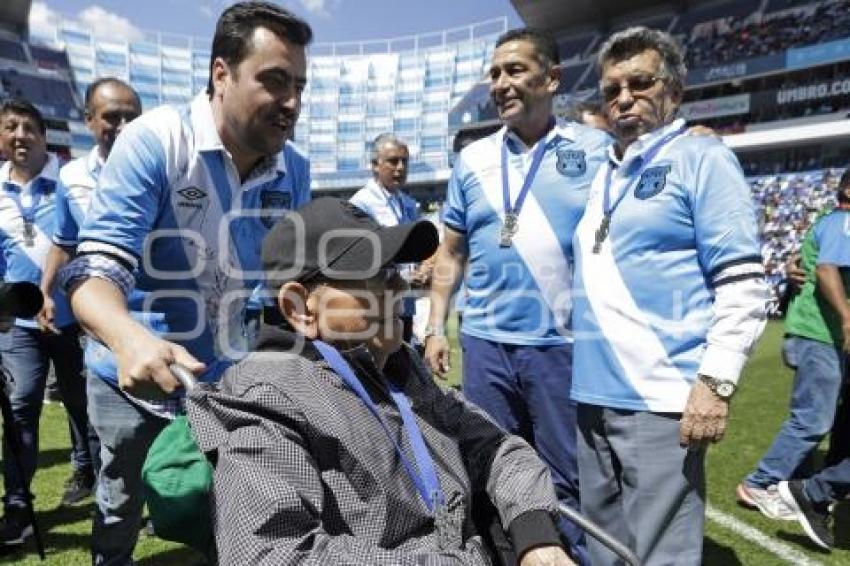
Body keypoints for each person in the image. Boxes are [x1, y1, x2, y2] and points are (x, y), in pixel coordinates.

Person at [56, 3, 313, 563]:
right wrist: (129, 340)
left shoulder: (294, 168)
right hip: (132, 382)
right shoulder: (156, 141)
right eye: (274, 81)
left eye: (298, 85)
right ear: (221, 74)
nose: (291, 102)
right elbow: (91, 273)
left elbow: (287, 283)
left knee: (230, 509)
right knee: (120, 503)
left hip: (230, 381)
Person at [187, 197, 575, 566]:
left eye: (393, 270)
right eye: (372, 275)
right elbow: (271, 555)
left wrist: (535, 537)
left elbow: (494, 447)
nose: (400, 289)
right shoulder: (266, 400)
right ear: (299, 307)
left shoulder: (396, 364)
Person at [570, 27, 768, 565]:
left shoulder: (702, 157)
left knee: (664, 556)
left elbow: (745, 280)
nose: (624, 97)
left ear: (675, 92)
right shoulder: (604, 171)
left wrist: (715, 382)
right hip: (591, 395)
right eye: (612, 89)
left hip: (661, 399)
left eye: (640, 82)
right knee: (604, 550)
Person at [425, 27, 611, 564]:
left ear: (551, 78)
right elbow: (451, 252)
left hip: (562, 345)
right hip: (485, 342)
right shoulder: (473, 158)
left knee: (564, 474)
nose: (501, 83)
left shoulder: (594, 150)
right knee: (484, 467)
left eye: (515, 71)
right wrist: (437, 325)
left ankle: (565, 556)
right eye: (495, 73)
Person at [37, 77, 142, 508]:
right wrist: (45, 292)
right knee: (107, 420)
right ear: (89, 121)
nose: (121, 125)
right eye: (110, 116)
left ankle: (158, 497)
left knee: (160, 416)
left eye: (130, 117)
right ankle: (110, 496)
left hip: (151, 315)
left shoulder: (163, 165)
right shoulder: (72, 176)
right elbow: (63, 241)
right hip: (96, 318)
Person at [0, 99, 91, 544]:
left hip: (73, 317)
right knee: (21, 407)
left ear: (43, 136)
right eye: (10, 128)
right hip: (17, 326)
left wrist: (58, 294)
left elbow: (80, 241)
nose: (20, 135)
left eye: (28, 127)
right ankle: (17, 506)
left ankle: (84, 471)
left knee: (79, 403)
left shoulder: (69, 181)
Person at [738, 168, 850, 518]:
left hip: (817, 334)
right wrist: (848, 319)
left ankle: (804, 475)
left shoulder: (835, 223)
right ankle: (759, 483)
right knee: (813, 419)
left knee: (821, 414)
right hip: (819, 334)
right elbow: (827, 269)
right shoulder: (842, 223)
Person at [350, 133, 422, 342]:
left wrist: (420, 268)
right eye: (393, 161)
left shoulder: (408, 204)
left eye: (405, 161)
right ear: (375, 165)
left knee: (403, 367)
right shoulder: (361, 203)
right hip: (379, 306)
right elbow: (359, 257)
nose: (400, 167)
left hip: (405, 303)